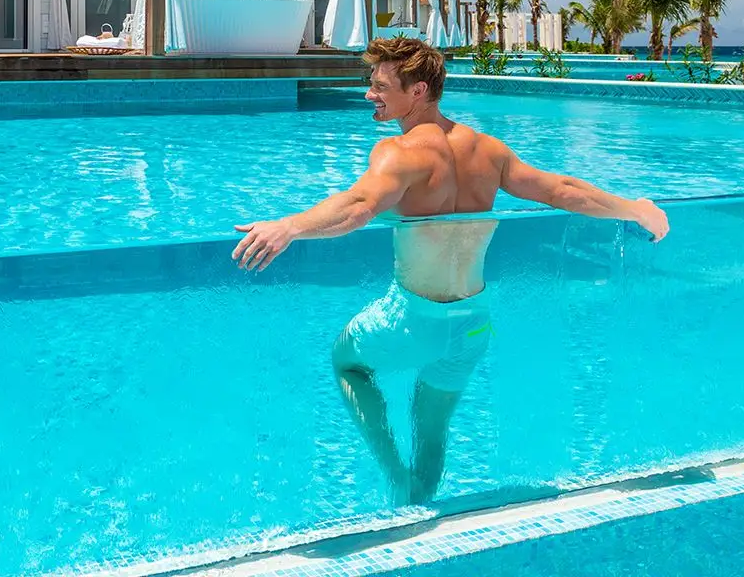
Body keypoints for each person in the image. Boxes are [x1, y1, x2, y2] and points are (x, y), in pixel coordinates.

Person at [231, 36, 669, 505]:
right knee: (431, 424)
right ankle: (420, 507)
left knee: (348, 363)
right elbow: (562, 190)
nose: (368, 94)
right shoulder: (489, 150)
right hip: (473, 323)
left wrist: (288, 227)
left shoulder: (399, 153)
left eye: (379, 85)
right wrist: (635, 209)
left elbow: (359, 206)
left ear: (417, 91)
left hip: (412, 318)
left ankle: (395, 478)